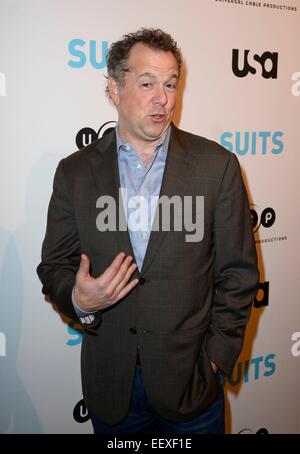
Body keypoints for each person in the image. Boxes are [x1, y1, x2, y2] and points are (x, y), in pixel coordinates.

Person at [37, 28, 259, 434]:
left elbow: (238, 276)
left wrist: (214, 360)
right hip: (112, 389)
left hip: (191, 387)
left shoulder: (218, 166)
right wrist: (79, 298)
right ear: (114, 90)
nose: (163, 98)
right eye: (147, 83)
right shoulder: (74, 172)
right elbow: (54, 266)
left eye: (171, 84)